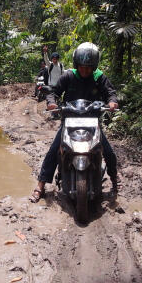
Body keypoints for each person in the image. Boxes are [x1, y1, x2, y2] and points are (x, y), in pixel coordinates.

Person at [30, 42, 121, 203]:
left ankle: (114, 180)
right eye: (81, 66)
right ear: (76, 64)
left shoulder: (99, 77)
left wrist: (112, 102)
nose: (84, 70)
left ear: (94, 66)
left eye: (88, 67)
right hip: (69, 120)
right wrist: (51, 102)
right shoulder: (69, 75)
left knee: (108, 151)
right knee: (53, 151)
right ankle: (41, 186)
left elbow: (110, 93)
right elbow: (54, 93)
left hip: (92, 121)